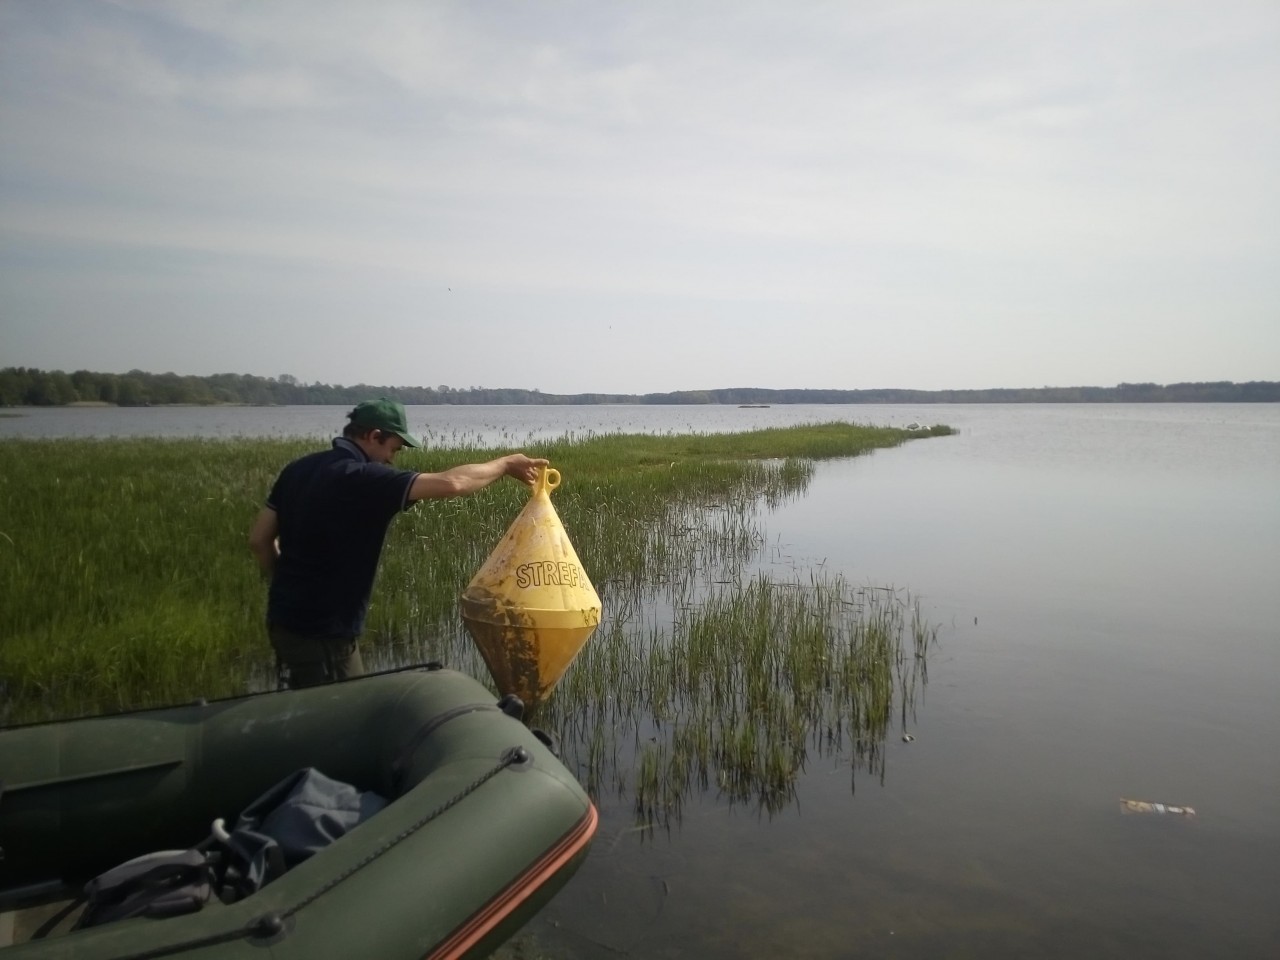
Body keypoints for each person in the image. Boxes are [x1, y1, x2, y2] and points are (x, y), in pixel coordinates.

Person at [248, 398, 547, 689]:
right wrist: (506, 464)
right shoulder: (362, 478)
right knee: (343, 713)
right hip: (323, 633)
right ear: (374, 436)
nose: (392, 458)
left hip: (282, 621)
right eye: (393, 448)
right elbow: (453, 483)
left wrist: (287, 587)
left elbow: (260, 540)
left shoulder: (297, 469)